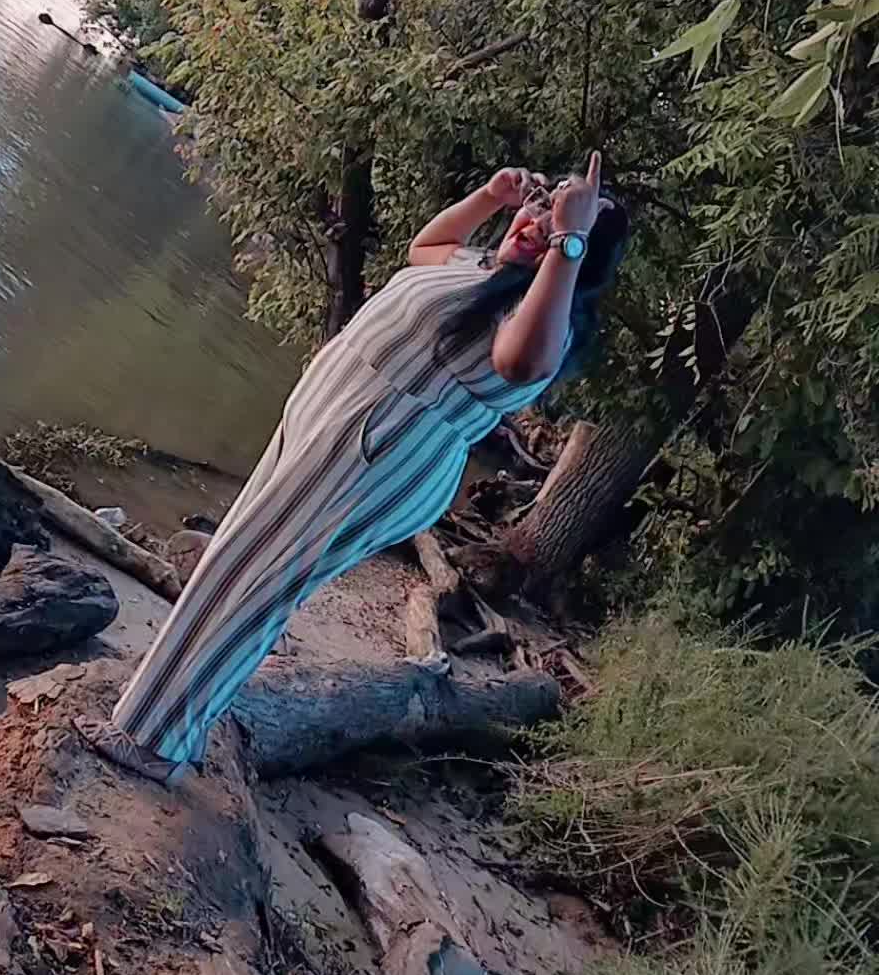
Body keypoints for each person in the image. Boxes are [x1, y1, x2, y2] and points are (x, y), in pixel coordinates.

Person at [81, 153, 628, 783]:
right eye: (538, 206)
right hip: (334, 416)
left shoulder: (542, 318)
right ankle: (159, 714)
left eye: (554, 222)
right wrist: (488, 196)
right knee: (239, 558)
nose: (534, 223)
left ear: (577, 255)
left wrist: (569, 241)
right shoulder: (486, 269)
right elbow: (427, 247)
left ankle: (156, 740)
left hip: (375, 447)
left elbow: (523, 363)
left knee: (253, 576)